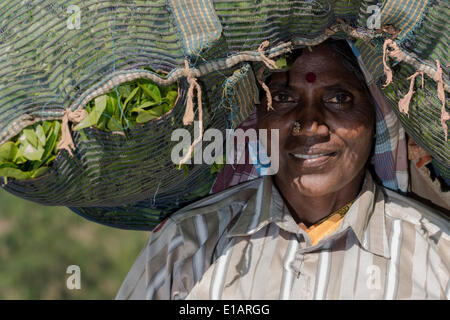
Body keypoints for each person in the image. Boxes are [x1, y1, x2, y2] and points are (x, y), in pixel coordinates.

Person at [116, 40, 449, 300]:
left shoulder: (437, 254)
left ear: (373, 119)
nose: (309, 125)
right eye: (284, 98)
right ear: (258, 118)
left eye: (338, 99)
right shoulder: (186, 244)